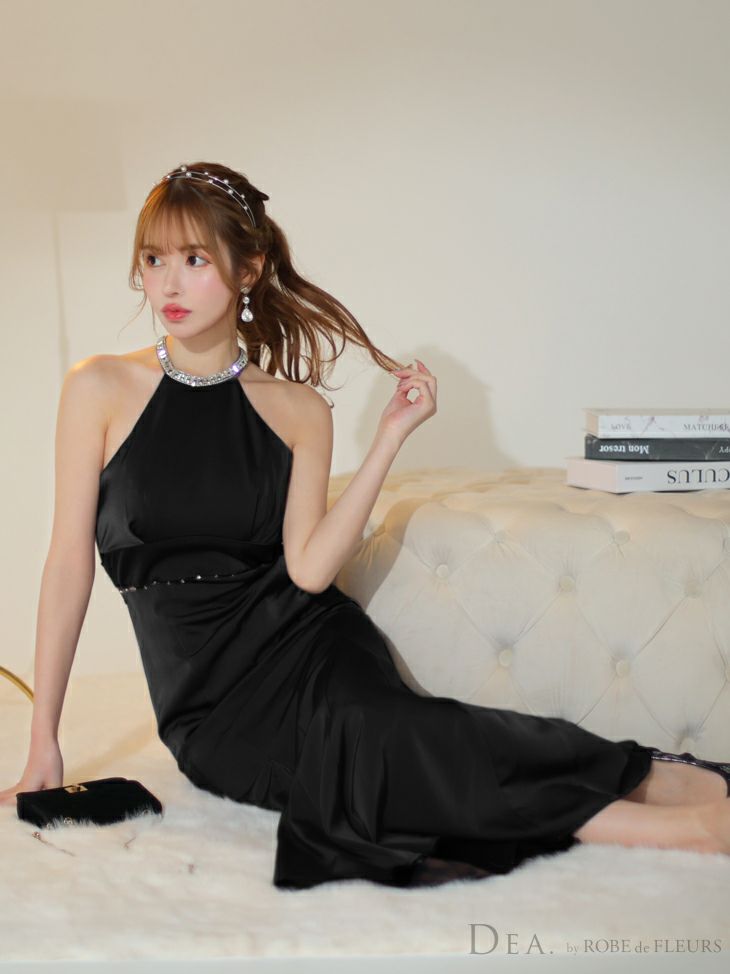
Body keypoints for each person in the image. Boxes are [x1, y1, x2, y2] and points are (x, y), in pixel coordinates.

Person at [1, 161, 729, 890]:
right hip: (210, 711)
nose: (168, 284)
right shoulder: (99, 388)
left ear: (248, 269)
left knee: (391, 733)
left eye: (194, 260)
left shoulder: (297, 410)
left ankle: (670, 815)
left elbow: (309, 570)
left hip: (311, 648)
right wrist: (44, 743)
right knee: (370, 758)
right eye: (154, 259)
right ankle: (656, 787)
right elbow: (67, 565)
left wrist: (388, 438)